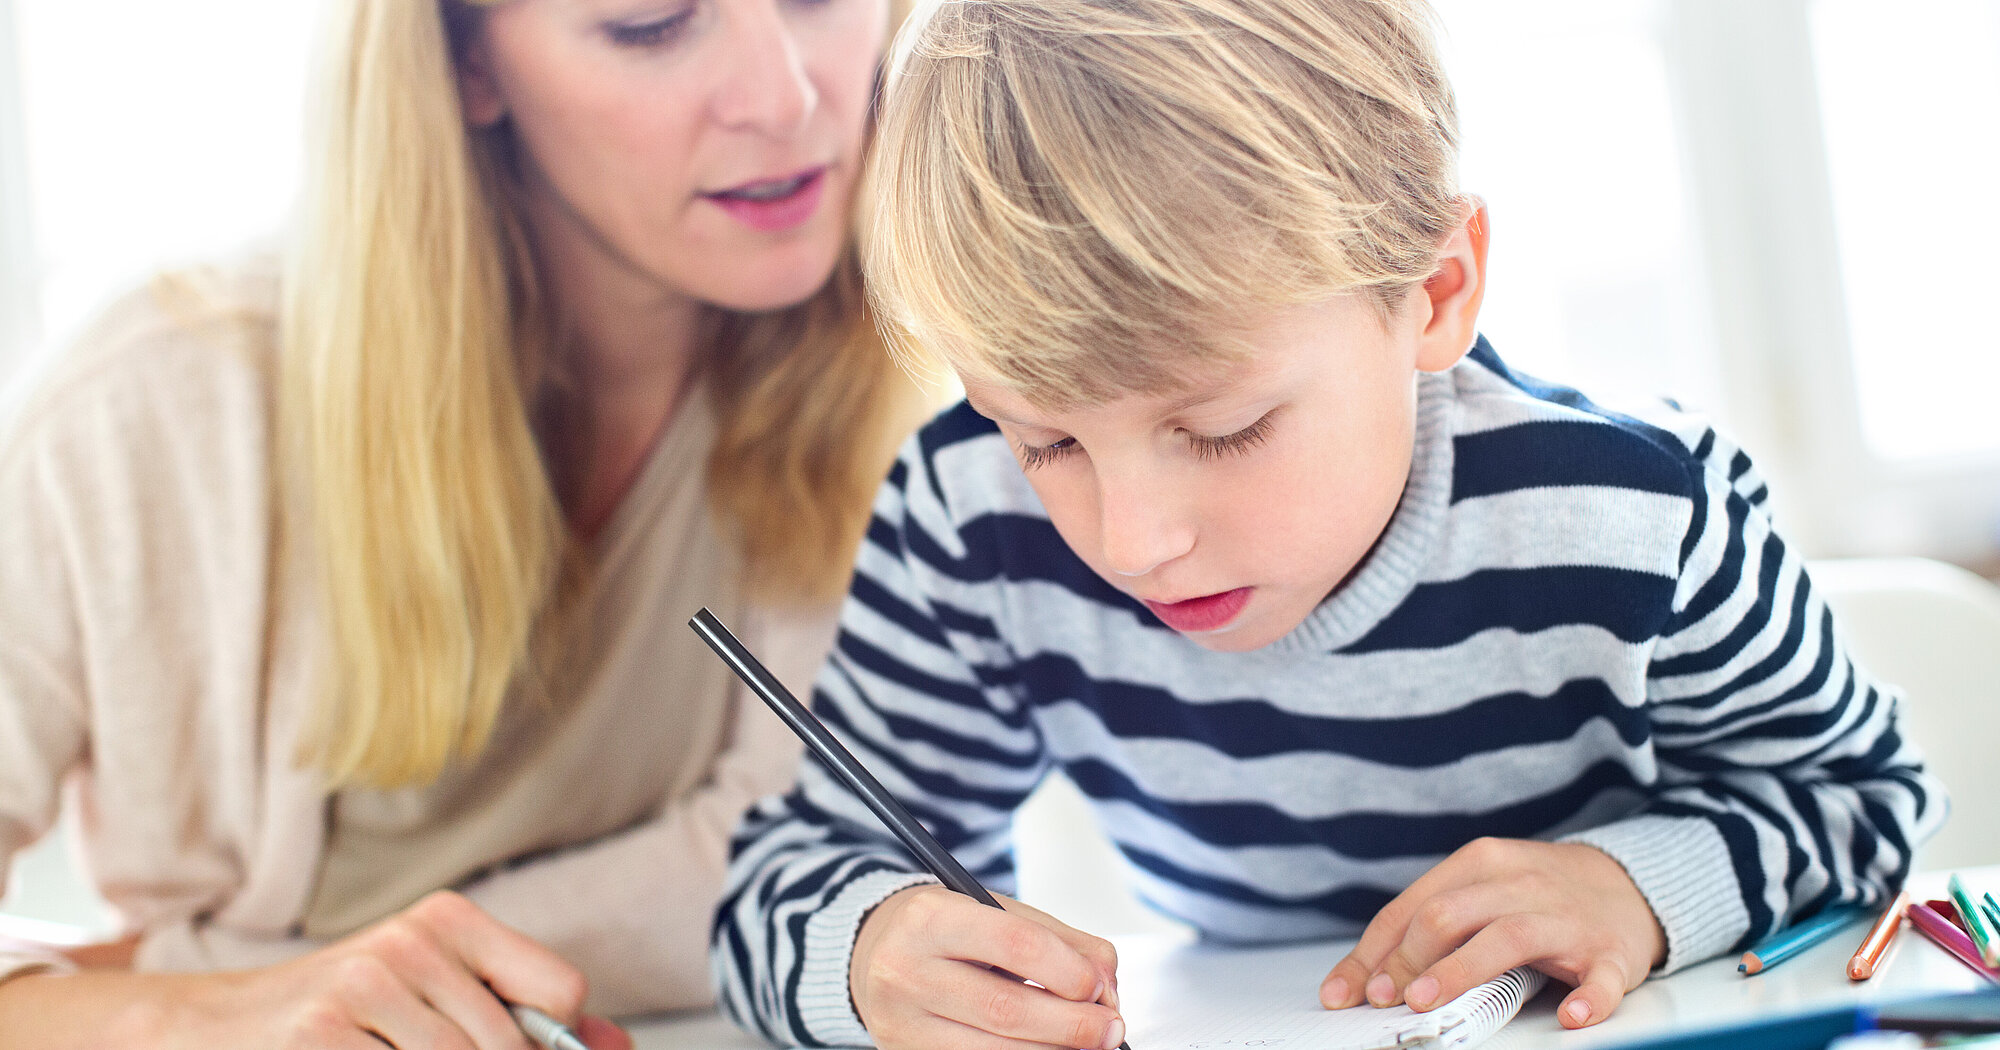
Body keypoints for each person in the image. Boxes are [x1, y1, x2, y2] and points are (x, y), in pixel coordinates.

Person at [709, 1, 1947, 1047]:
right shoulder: (968, 516)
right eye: (1047, 442)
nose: (1131, 541)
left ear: (1433, 292)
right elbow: (778, 884)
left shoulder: (1631, 516)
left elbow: (1865, 802)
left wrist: (1639, 889)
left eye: (1225, 427)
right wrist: (871, 960)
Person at [0, 0, 926, 1044]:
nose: (787, 97)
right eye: (651, 25)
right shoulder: (156, 411)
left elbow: (795, 844)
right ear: (467, 66)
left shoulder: (905, 377)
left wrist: (256, 968)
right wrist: (202, 1013)